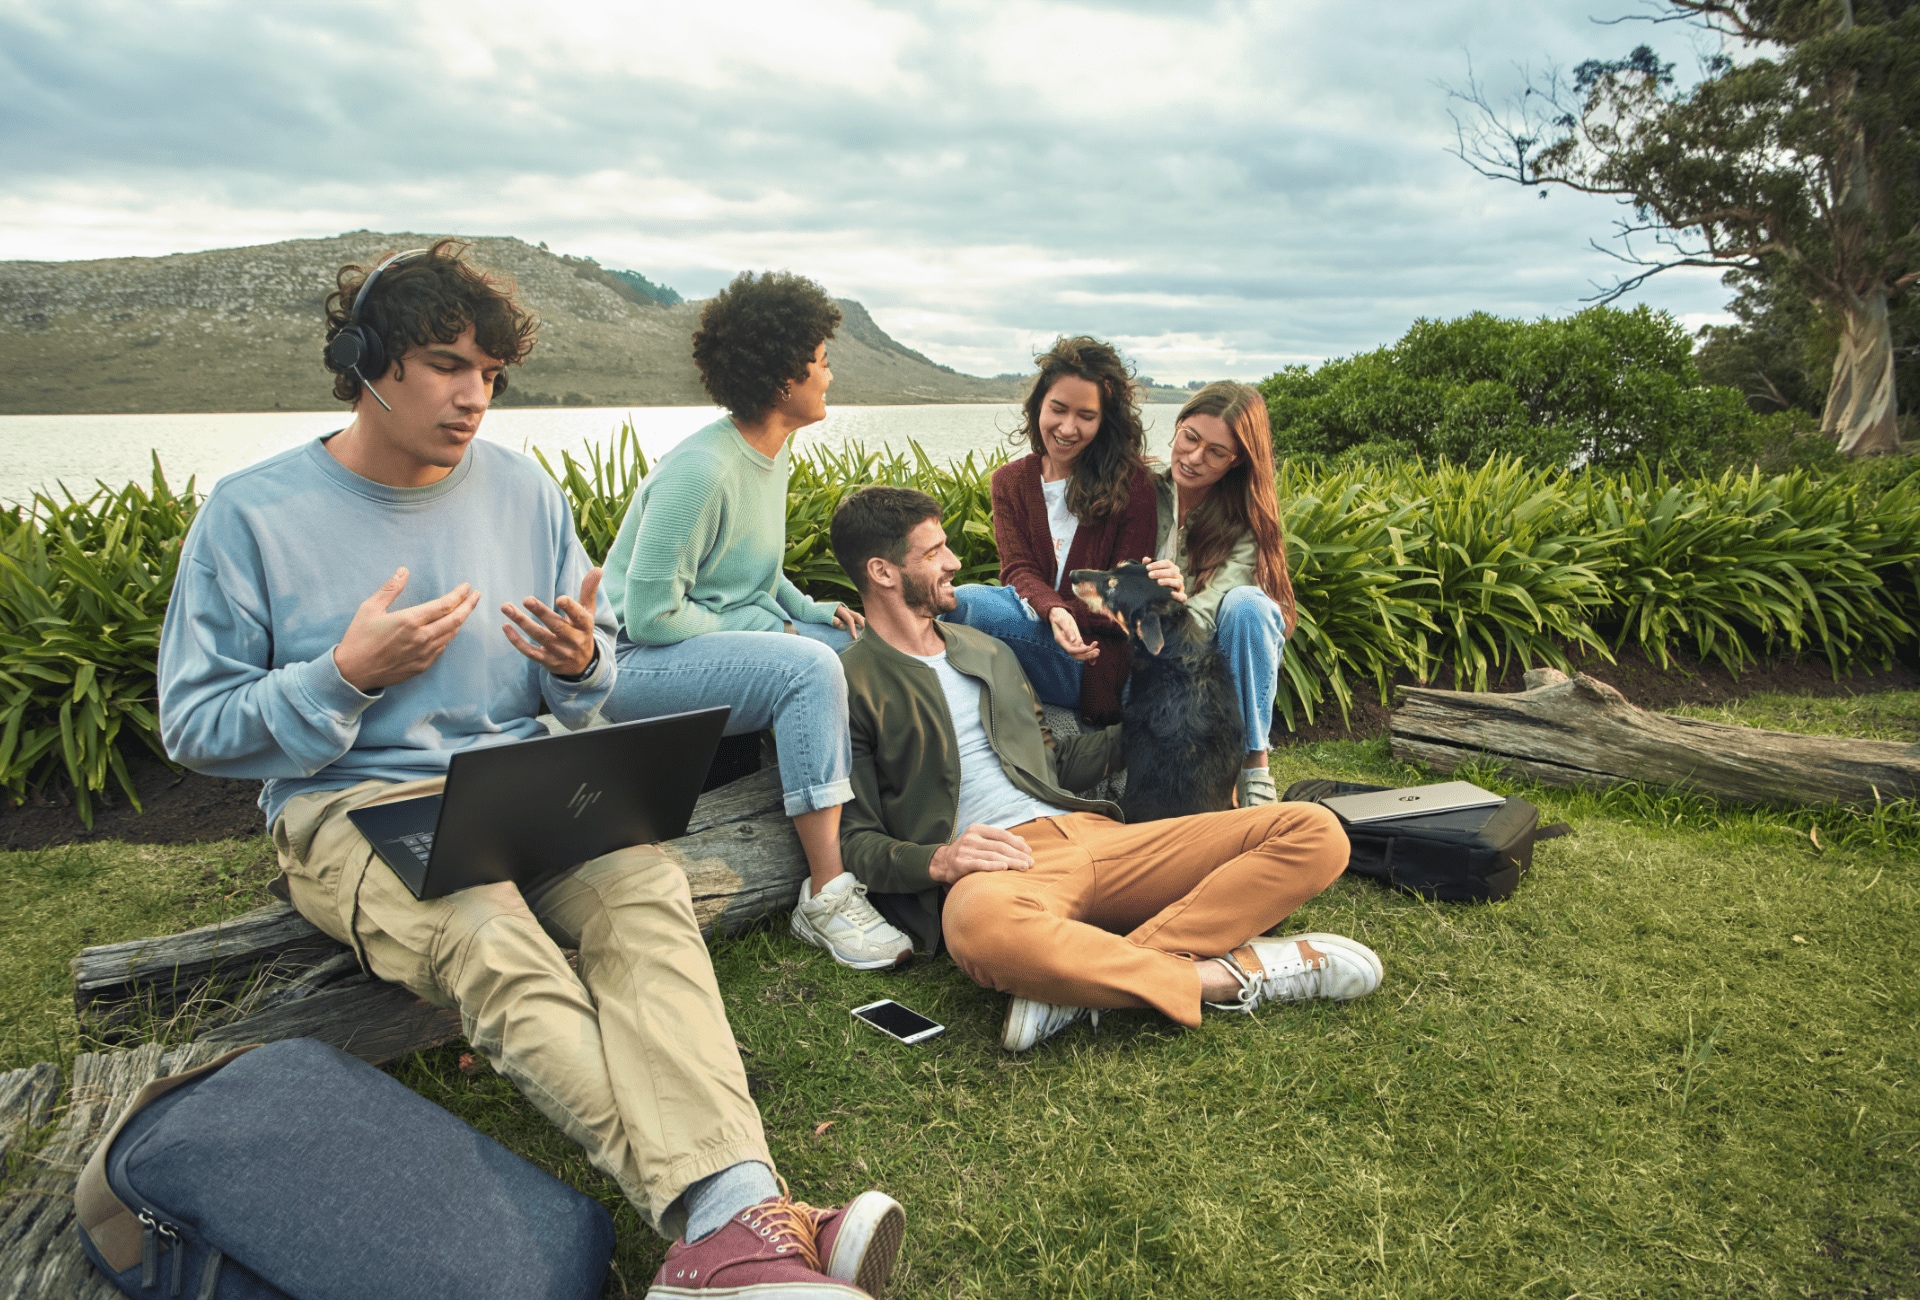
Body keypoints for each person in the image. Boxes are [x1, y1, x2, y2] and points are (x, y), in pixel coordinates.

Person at [157, 242, 904, 1299]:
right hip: (352, 802)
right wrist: (339, 678)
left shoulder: (522, 489)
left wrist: (578, 663)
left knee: (646, 894)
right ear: (364, 359)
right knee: (489, 936)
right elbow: (193, 722)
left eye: (491, 374)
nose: (475, 397)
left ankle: (732, 1231)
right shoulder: (251, 515)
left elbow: (588, 677)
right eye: (445, 365)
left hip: (524, 780)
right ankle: (741, 1220)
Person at [827, 485, 1383, 1053]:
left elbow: (1056, 764)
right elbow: (855, 841)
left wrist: (1165, 719)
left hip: (1106, 838)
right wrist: (941, 860)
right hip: (1002, 870)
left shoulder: (986, 650)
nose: (954, 562)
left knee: (1315, 833)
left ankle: (1081, 983)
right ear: (883, 571)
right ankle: (1228, 974)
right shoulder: (850, 682)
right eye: (934, 552)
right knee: (977, 933)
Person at [599, 271, 914, 973]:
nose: (830, 369)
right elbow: (648, 616)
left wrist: (801, 609)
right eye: (820, 355)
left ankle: (897, 836)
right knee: (805, 668)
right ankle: (827, 894)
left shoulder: (769, 450)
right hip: (628, 665)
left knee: (881, 644)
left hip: (706, 642)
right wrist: (773, 638)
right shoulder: (702, 471)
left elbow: (751, 568)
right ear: (781, 379)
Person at [944, 336, 1157, 723]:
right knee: (943, 605)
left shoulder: (1133, 485)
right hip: (1037, 626)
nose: (1067, 427)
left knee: (964, 603)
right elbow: (1018, 570)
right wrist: (1053, 611)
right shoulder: (1010, 482)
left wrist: (1068, 618)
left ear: (1105, 420)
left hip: (1092, 655)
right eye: (1057, 409)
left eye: (1086, 416)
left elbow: (1126, 594)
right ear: (1038, 405)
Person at [1147, 381, 1299, 809]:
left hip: (1206, 651)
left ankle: (1254, 764)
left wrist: (1171, 623)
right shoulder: (1143, 490)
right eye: (1190, 438)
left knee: (1249, 606)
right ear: (1177, 427)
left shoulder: (1245, 519)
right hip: (1141, 650)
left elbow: (1216, 602)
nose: (1194, 458)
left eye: (1216, 452)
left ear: (1237, 462)